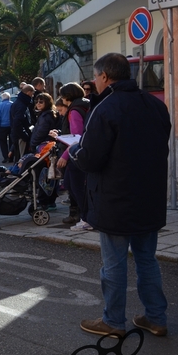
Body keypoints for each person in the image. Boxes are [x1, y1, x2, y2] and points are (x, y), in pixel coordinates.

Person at [70, 53, 171, 338]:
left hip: (116, 200)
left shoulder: (105, 108)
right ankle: (156, 318)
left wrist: (75, 150)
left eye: (96, 78)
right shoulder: (155, 105)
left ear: (104, 76)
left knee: (113, 264)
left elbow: (91, 159)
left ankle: (113, 322)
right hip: (149, 198)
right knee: (147, 260)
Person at [53, 83, 90, 228]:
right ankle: (85, 216)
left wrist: (65, 156)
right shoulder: (86, 104)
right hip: (84, 152)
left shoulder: (74, 111)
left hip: (76, 155)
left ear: (67, 96)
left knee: (75, 186)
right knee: (71, 183)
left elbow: (76, 138)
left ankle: (86, 218)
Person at [9, 83, 34, 163]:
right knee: (21, 160)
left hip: (17, 136)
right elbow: (17, 123)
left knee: (19, 158)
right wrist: (25, 136)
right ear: (29, 92)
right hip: (20, 137)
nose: (32, 95)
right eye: (32, 93)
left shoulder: (19, 102)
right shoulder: (21, 105)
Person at [0, 92, 13, 163]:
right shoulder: (12, 104)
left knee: (3, 142)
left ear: (2, 98)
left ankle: (6, 157)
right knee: (12, 141)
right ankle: (11, 156)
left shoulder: (0, 106)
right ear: (9, 97)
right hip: (11, 126)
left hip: (2, 126)